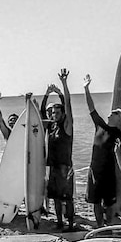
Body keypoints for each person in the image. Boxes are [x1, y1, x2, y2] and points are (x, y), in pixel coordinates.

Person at [83, 74, 121, 227]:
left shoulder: (119, 135)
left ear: (119, 119)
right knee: (95, 202)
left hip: (108, 173)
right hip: (94, 170)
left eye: (116, 113)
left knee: (108, 202)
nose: (112, 112)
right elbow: (91, 108)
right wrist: (86, 88)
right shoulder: (100, 125)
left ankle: (108, 225)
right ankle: (99, 226)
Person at [41, 69, 75, 231]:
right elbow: (41, 113)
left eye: (57, 112)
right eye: (52, 112)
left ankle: (70, 224)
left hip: (65, 168)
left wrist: (64, 85)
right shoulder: (52, 125)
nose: (54, 114)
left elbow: (68, 105)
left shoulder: (67, 126)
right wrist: (46, 95)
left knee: (67, 199)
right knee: (54, 197)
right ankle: (60, 222)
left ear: (63, 113)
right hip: (53, 167)